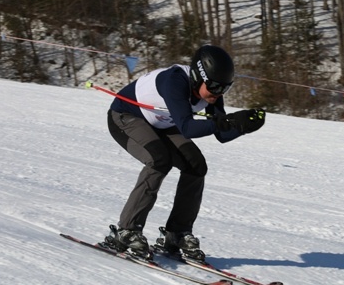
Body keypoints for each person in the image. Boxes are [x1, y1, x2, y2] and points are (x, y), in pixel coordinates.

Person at [105, 45, 265, 260]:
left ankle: (177, 233)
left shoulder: (211, 91)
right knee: (158, 160)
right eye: (215, 87)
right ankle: (127, 230)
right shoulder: (174, 82)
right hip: (126, 117)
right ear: (198, 77)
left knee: (196, 166)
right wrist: (227, 122)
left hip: (162, 123)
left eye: (225, 88)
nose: (218, 93)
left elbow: (221, 134)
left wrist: (242, 126)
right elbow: (189, 128)